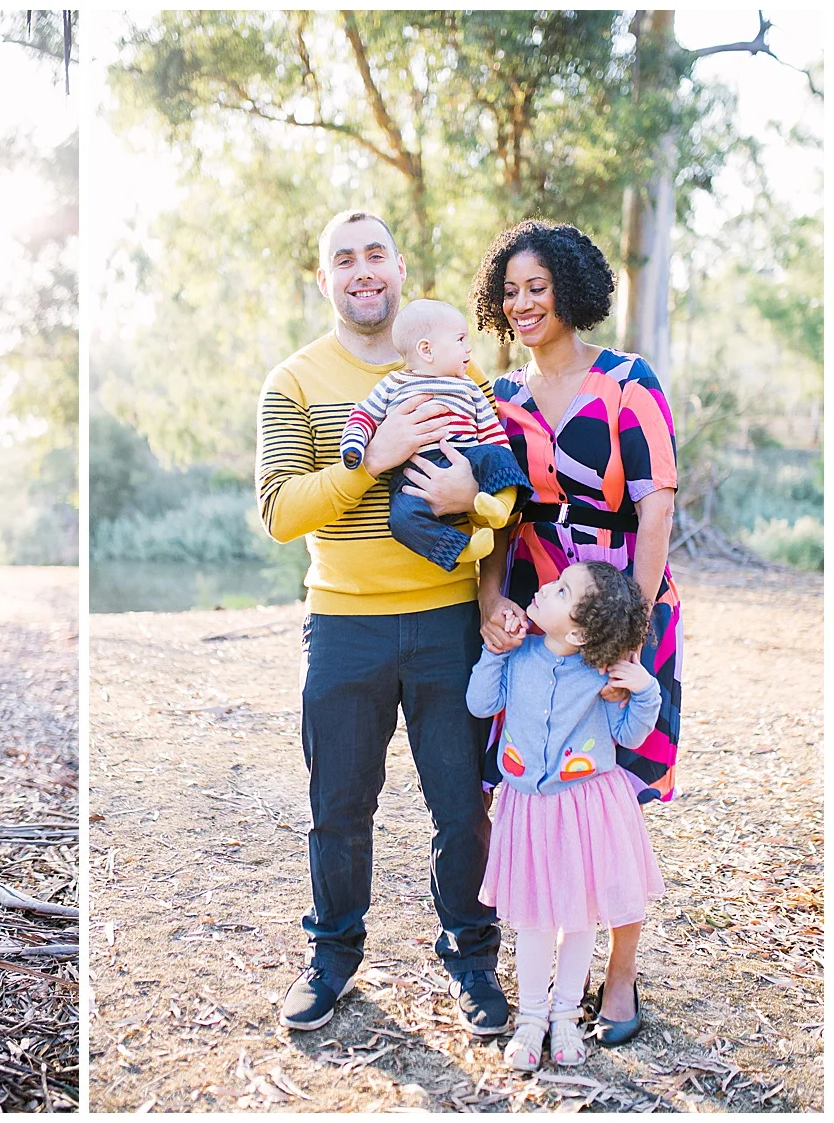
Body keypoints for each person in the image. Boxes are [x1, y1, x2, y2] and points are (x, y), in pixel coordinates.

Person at [256, 210, 509, 1036]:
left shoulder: (462, 375)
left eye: (375, 254)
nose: (362, 269)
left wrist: (471, 505)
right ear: (324, 279)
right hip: (344, 626)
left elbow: (505, 498)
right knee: (338, 806)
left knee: (462, 807)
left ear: (400, 268)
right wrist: (375, 457)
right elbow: (279, 511)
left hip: (446, 622)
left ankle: (473, 958)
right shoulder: (294, 381)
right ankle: (332, 956)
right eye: (344, 258)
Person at [472, 219, 681, 1045]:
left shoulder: (628, 381)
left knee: (617, 792)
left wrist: (629, 631)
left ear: (572, 289)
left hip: (628, 605)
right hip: (538, 610)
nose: (523, 303)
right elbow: (496, 516)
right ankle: (541, 974)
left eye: (538, 287)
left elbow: (656, 506)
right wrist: (493, 600)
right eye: (510, 291)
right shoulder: (499, 398)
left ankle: (618, 974)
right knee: (541, 780)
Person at [467, 562, 665, 1071]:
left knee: (579, 921)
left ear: (578, 633)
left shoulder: (601, 677)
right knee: (534, 921)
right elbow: (480, 703)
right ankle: (532, 1018)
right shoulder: (519, 655)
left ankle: (566, 1016)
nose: (543, 588)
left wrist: (645, 690)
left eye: (560, 591)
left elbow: (629, 735)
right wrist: (494, 652)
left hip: (584, 811)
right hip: (529, 811)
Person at [339, 298, 530, 569]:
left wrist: (498, 459)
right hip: (412, 475)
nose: (468, 347)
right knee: (402, 519)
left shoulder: (469, 386)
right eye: (460, 340)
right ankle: (462, 549)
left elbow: (491, 430)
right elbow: (364, 415)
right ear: (426, 350)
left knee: (496, 453)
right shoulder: (394, 383)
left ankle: (501, 505)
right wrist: (354, 447)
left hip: (469, 458)